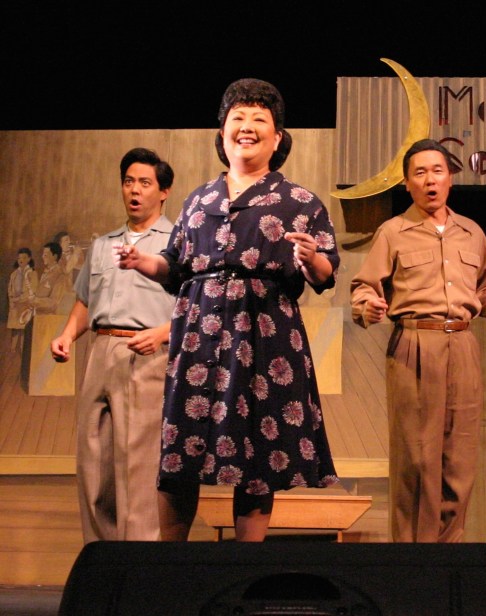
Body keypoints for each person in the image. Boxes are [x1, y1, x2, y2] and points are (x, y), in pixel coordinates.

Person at [115, 78, 340, 542]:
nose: (247, 126)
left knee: (258, 453)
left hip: (265, 336)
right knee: (180, 448)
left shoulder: (300, 202)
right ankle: (169, 564)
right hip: (199, 337)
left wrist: (309, 257)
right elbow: (175, 268)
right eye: (237, 117)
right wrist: (144, 262)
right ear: (222, 134)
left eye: (260, 119)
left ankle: (247, 564)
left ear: (278, 138)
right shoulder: (198, 199)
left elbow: (324, 273)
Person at [350, 139, 486, 543]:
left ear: (450, 178)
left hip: (463, 346)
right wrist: (369, 308)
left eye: (437, 171)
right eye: (420, 173)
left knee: (459, 458)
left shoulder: (471, 232)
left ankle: (448, 555)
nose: (430, 180)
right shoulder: (393, 232)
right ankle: (412, 559)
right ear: (406, 184)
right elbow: (364, 287)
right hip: (415, 344)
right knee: (416, 460)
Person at [50, 147, 176, 543]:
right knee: (94, 463)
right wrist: (68, 335)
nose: (134, 190)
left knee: (137, 465)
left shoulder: (177, 244)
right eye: (128, 181)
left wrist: (163, 334)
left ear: (163, 191)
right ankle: (101, 558)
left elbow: (198, 308)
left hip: (148, 352)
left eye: (144, 183)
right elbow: (86, 300)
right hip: (100, 352)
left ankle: (141, 563)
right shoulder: (103, 244)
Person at [6, 247, 38, 351]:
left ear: (29, 259)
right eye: (19, 258)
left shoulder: (32, 273)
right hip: (15, 305)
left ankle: (22, 348)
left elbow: (32, 290)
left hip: (25, 305)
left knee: (24, 328)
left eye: (24, 258)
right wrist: (12, 299)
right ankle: (12, 349)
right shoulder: (14, 274)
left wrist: (20, 299)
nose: (21, 260)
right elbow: (10, 289)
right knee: (15, 329)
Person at [31, 242, 67, 315]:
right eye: (43, 254)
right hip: (38, 317)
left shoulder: (60, 275)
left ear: (55, 257)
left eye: (46, 255)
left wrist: (36, 301)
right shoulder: (45, 273)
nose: (42, 256)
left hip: (49, 320)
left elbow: (54, 303)